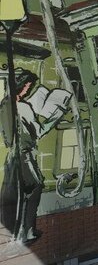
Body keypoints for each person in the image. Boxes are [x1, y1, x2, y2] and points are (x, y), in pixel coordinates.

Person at [0, 69, 68, 243]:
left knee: (16, 193)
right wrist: (56, 116)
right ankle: (28, 230)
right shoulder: (23, 107)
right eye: (28, 86)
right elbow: (39, 132)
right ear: (21, 86)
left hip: (12, 157)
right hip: (24, 155)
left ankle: (16, 232)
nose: (29, 90)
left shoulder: (4, 105)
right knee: (35, 187)